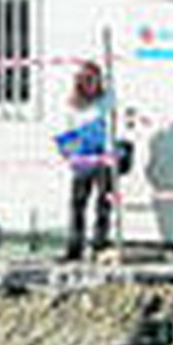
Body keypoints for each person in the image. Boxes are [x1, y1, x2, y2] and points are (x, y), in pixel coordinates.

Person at [55, 59, 116, 260]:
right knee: (78, 203)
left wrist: (110, 153)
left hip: (104, 158)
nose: (92, 84)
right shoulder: (73, 104)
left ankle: (99, 244)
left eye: (95, 80)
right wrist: (70, 153)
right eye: (87, 80)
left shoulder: (107, 99)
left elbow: (113, 124)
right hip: (83, 159)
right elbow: (67, 131)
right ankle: (75, 247)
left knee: (103, 203)